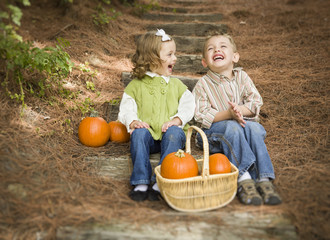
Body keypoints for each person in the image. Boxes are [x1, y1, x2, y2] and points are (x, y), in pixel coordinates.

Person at [192, 33, 282, 205]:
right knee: (232, 127)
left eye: (223, 46)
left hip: (243, 126)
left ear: (235, 57)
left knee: (254, 128)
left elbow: (255, 101)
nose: (217, 49)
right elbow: (201, 114)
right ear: (205, 62)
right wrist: (229, 114)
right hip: (214, 133)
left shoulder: (242, 77)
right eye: (211, 48)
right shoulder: (202, 85)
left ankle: (264, 180)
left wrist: (240, 110)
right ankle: (244, 179)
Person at [118, 29, 195, 202]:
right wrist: (133, 121)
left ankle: (160, 182)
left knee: (174, 133)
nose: (174, 59)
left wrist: (177, 120)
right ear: (152, 59)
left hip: (171, 137)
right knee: (138, 134)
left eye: (174, 54)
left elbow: (189, 105)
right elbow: (127, 108)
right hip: (149, 137)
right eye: (169, 55)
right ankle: (141, 182)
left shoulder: (176, 85)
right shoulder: (136, 86)